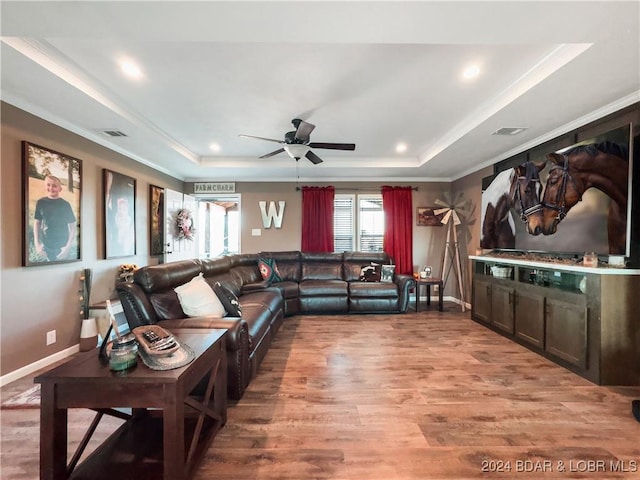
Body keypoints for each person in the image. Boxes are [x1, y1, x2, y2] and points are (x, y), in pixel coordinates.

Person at [33, 175, 76, 261]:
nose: (51, 188)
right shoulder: (40, 203)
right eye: (48, 185)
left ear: (60, 189)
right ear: (45, 186)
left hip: (62, 246)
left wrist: (67, 248)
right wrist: (37, 244)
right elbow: (37, 223)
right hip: (46, 246)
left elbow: (73, 227)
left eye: (54, 186)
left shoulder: (65, 205)